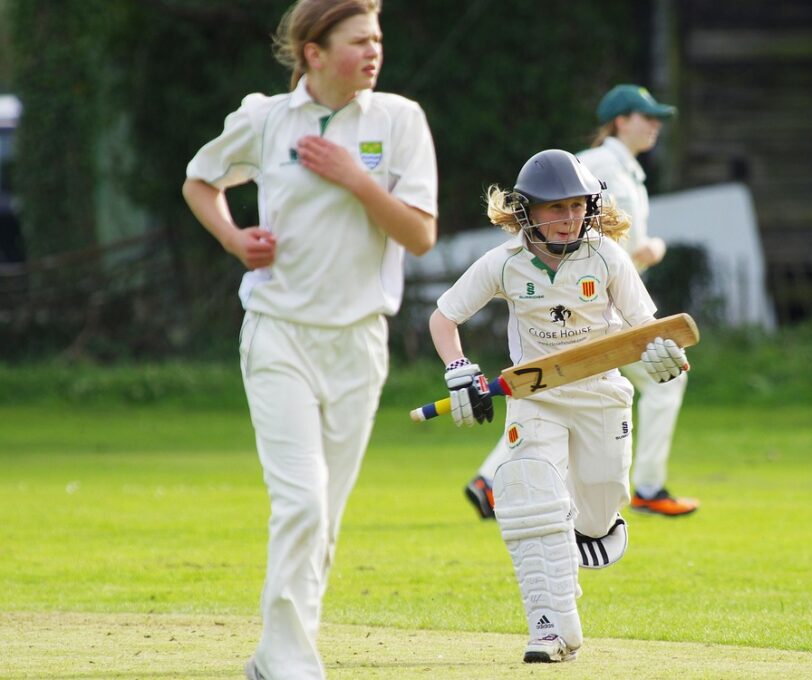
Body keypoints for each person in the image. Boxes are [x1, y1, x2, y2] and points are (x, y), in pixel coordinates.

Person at [181, 1, 438, 678]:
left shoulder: (399, 120)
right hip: (280, 336)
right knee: (301, 501)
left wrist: (355, 179)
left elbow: (420, 235)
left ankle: (275, 657)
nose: (373, 51)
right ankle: (292, 664)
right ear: (314, 53)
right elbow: (200, 180)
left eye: (377, 38)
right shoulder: (268, 119)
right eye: (358, 41)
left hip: (358, 344)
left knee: (323, 518)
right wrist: (234, 238)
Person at [429, 149, 689, 663]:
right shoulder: (504, 261)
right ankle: (550, 629)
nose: (569, 218)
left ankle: (575, 535)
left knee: (595, 518)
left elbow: (646, 328)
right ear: (526, 210)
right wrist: (458, 369)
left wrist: (664, 355)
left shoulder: (606, 256)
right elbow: (444, 318)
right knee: (531, 498)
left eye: (577, 206)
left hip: (601, 396)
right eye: (555, 207)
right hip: (536, 397)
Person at [464, 84, 698, 519]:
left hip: (611, 301)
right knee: (564, 383)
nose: (655, 125)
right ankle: (648, 488)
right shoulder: (598, 164)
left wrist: (644, 252)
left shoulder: (631, 172)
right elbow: (574, 226)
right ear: (620, 121)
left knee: (553, 385)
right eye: (646, 116)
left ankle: (491, 479)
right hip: (587, 304)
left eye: (657, 118)